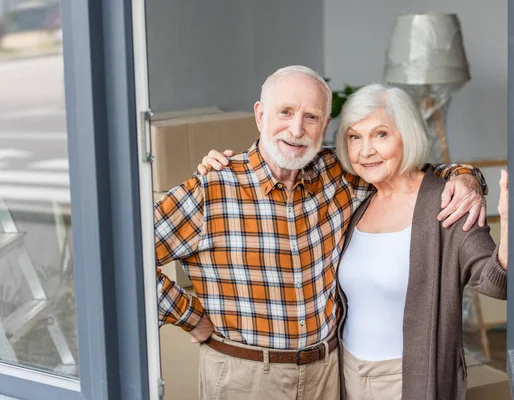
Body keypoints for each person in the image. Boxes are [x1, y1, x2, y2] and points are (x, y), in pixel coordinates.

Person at [155, 66, 488, 400]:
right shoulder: (212, 187)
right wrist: (191, 317)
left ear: (325, 125)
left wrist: (466, 178)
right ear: (260, 115)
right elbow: (120, 258)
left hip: (328, 374)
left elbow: (405, 172)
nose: (296, 128)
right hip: (247, 376)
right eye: (285, 112)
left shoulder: (338, 174)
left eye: (311, 117)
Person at [331, 83, 514, 400]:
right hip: (348, 372)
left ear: (407, 136)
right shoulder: (360, 200)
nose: (366, 150)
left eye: (381, 134)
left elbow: (498, 283)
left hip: (408, 378)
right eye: (355, 137)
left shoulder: (446, 201)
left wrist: (511, 221)